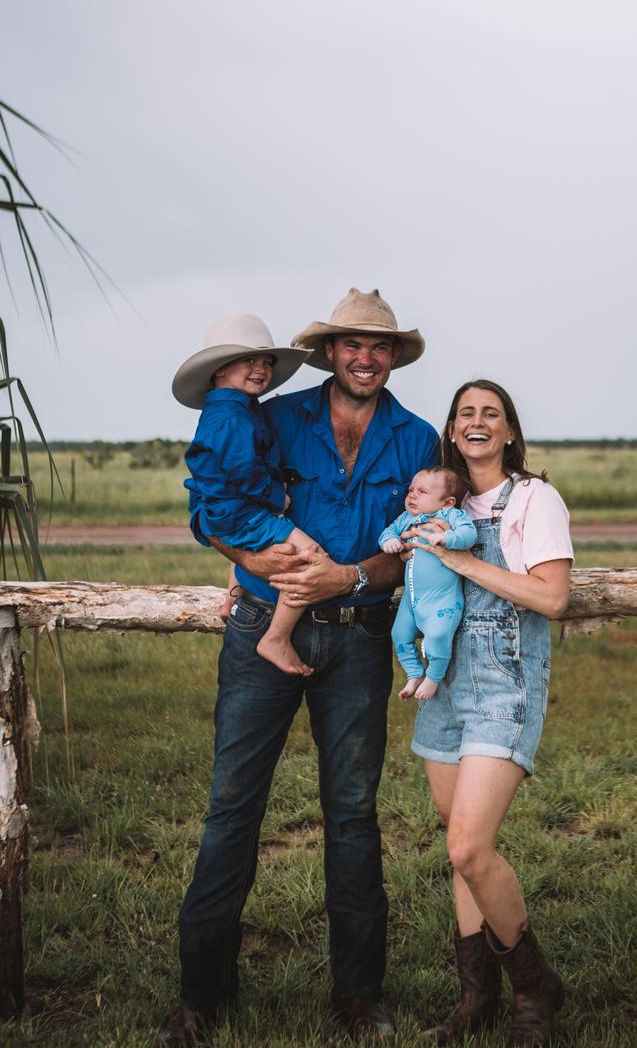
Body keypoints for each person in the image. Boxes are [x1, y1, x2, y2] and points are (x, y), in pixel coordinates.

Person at [158, 288, 439, 1044]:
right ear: (328, 351)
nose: (365, 357)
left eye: (379, 346)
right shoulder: (274, 417)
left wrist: (347, 577)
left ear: (393, 356)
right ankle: (200, 998)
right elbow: (204, 501)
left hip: (357, 637)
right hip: (261, 632)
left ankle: (360, 993)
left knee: (352, 813)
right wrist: (247, 557)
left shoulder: (417, 439)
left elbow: (418, 548)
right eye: (352, 344)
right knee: (231, 809)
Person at [409, 379, 573, 1048]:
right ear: (451, 428)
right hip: (444, 688)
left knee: (469, 846)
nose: (477, 422)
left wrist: (461, 560)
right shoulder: (439, 499)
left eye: (491, 414)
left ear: (509, 431)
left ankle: (535, 991)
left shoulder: (535, 498)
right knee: (459, 852)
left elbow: (552, 596)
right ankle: (477, 993)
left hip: (504, 688)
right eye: (465, 413)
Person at [172, 313, 320, 676]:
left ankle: (234, 596)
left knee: (259, 542)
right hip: (241, 510)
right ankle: (277, 636)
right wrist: (276, 497)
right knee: (309, 556)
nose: (261, 369)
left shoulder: (232, 407)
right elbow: (243, 470)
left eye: (265, 361)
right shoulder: (231, 417)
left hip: (230, 508)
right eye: (248, 360)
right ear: (219, 369)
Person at [378, 467, 476, 701]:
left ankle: (433, 676)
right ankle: (414, 673)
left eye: (422, 491)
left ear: (447, 502)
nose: (412, 495)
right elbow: (388, 532)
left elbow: (468, 534)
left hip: (441, 598)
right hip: (411, 599)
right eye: (411, 489)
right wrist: (390, 541)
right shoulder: (406, 519)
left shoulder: (452, 517)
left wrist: (447, 538)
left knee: (438, 635)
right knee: (399, 634)